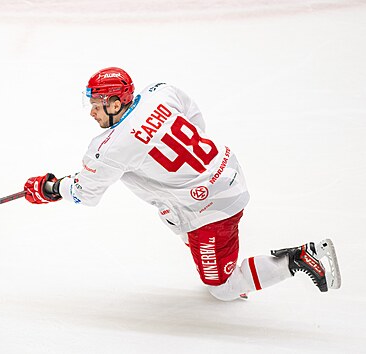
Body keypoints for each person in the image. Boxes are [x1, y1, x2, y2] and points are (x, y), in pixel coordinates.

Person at [23, 67, 341, 300]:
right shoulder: (160, 91)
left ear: (116, 103)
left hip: (210, 207)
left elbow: (85, 193)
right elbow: (193, 114)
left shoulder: (110, 147)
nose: (92, 111)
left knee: (222, 290)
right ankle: (218, 256)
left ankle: (299, 257)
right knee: (170, 212)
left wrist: (50, 188)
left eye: (97, 103)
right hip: (227, 170)